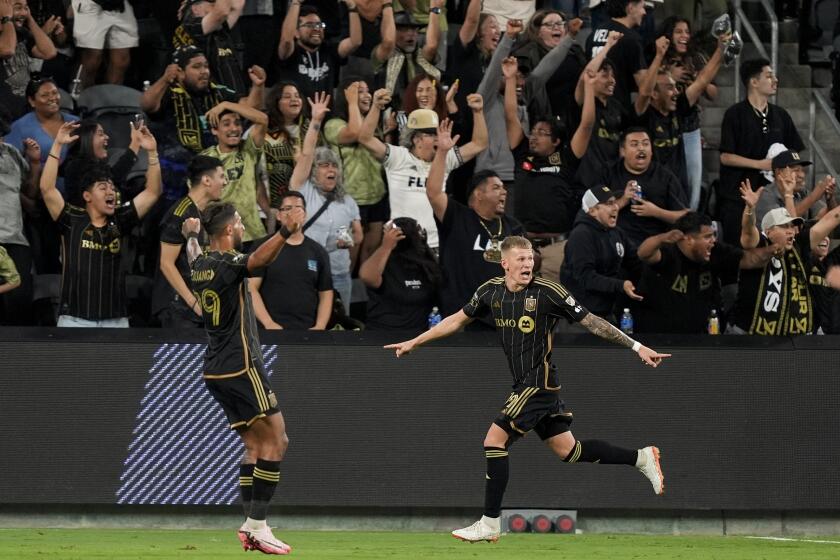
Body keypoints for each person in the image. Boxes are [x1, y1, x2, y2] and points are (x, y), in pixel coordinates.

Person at [384, 235, 671, 543]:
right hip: (525, 383)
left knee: (494, 440)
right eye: (520, 260)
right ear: (504, 263)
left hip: (539, 383)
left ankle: (490, 522)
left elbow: (592, 322)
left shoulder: (549, 292)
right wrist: (415, 341)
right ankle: (640, 457)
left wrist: (636, 346)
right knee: (569, 451)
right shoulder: (490, 292)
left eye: (530, 259)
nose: (527, 265)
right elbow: (456, 320)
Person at [182, 200, 305, 555]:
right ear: (227, 231)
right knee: (277, 441)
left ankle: (251, 525)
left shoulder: (201, 263)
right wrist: (285, 230)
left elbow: (191, 253)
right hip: (241, 364)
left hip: (215, 369)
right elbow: (258, 261)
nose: (241, 227)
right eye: (238, 222)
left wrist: (191, 234)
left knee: (254, 446)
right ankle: (257, 526)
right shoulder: (226, 262)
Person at [39, 121, 161, 327]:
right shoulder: (71, 219)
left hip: (116, 319)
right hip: (75, 319)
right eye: (103, 187)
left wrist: (152, 153)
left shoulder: (120, 219)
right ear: (86, 195)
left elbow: (152, 193)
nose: (110, 191)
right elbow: (47, 189)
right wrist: (57, 145)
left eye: (112, 188)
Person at [358, 88, 488, 253]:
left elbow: (479, 143)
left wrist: (478, 112)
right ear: (416, 139)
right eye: (432, 134)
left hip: (436, 245)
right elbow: (365, 138)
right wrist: (376, 107)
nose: (438, 137)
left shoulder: (444, 158)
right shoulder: (398, 157)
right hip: (401, 243)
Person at [503, 59, 597, 281]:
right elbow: (510, 115)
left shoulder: (566, 159)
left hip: (557, 248)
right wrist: (509, 79)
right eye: (533, 131)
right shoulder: (522, 152)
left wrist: (590, 87)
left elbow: (587, 125)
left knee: (555, 308)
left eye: (542, 133)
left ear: (556, 141)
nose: (534, 136)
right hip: (521, 246)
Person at [426, 118, 524, 320]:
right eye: (496, 188)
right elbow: (434, 193)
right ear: (478, 194)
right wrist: (442, 152)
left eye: (504, 188)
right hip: (460, 315)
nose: (504, 192)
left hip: (501, 316)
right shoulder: (458, 216)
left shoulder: (511, 226)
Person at [141, 46, 265, 203]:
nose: (204, 71)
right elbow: (146, 104)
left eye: (206, 66)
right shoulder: (167, 94)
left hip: (213, 179)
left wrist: (258, 86)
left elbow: (250, 109)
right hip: (173, 181)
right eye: (196, 66)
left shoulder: (218, 92)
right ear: (179, 72)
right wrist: (165, 79)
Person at [633, 211, 776, 334]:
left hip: (702, 338)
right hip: (659, 338)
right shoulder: (668, 252)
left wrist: (776, 247)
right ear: (689, 239)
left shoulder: (715, 252)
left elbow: (751, 260)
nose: (713, 241)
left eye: (713, 235)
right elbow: (643, 253)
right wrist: (661, 238)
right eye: (707, 236)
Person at [730, 183, 840, 335]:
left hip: (792, 337)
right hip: (750, 334)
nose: (791, 231)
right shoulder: (759, 244)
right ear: (768, 231)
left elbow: (832, 218)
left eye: (792, 227)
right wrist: (750, 209)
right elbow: (748, 232)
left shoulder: (800, 244)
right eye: (784, 227)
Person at [717, 58, 804, 246]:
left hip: (773, 199)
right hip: (738, 197)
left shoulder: (781, 115)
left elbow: (794, 153)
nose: (775, 80)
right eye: (769, 76)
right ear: (754, 82)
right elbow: (725, 157)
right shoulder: (735, 114)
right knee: (741, 249)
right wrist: (760, 165)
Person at [290, 91, 362, 313]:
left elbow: (358, 235)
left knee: (342, 324)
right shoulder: (304, 191)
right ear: (314, 171)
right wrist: (316, 121)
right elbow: (307, 155)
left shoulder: (347, 201)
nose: (331, 169)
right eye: (324, 165)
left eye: (333, 166)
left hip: (339, 274)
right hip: (306, 272)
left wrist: (347, 240)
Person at [634, 33, 725, 197]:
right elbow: (644, 91)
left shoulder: (678, 109)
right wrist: (659, 55)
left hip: (676, 189)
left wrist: (721, 49)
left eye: (675, 87)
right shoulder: (643, 115)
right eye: (669, 88)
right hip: (650, 192)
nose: (676, 92)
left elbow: (702, 81)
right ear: (654, 94)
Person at [152, 154, 226, 329]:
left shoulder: (202, 213)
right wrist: (194, 303)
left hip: (195, 311)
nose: (225, 182)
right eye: (222, 176)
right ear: (207, 180)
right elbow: (166, 263)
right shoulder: (180, 213)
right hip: (178, 310)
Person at [659, 16, 720, 210]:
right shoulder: (658, 56)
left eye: (687, 31)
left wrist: (696, 77)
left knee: (693, 180)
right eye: (679, 31)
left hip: (690, 124)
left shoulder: (696, 58)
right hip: (663, 124)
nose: (684, 36)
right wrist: (671, 74)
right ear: (669, 34)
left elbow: (712, 92)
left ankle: (690, 217)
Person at [249, 191, 333, 330]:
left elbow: (325, 292)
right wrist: (268, 322)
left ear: (305, 215)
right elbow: (250, 288)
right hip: (270, 330)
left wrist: (320, 325)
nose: (293, 213)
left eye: (298, 208)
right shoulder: (263, 247)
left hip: (307, 331)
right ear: (279, 215)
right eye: (287, 208)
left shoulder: (318, 251)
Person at [324, 79, 388, 263]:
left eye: (368, 91)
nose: (367, 95)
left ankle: (365, 289)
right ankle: (345, 290)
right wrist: (352, 102)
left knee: (371, 250)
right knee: (348, 255)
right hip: (349, 199)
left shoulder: (374, 123)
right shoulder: (334, 124)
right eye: (359, 91)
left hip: (377, 196)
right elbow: (355, 133)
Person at [560, 185, 641, 322]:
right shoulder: (581, 236)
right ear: (592, 211)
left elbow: (635, 261)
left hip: (607, 313)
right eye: (609, 204)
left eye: (615, 202)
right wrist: (620, 285)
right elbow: (585, 277)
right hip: (581, 318)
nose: (616, 207)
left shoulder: (616, 233)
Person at [602, 127, 688, 248]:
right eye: (634, 144)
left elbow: (686, 216)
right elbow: (594, 212)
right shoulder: (609, 172)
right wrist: (623, 200)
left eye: (645, 144)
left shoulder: (665, 176)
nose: (641, 148)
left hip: (655, 244)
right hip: (616, 242)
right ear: (623, 151)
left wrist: (656, 212)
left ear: (652, 150)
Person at [200, 99, 270, 242]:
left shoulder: (249, 149)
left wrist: (226, 104)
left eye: (237, 123)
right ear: (215, 130)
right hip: (221, 238)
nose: (234, 128)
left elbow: (263, 119)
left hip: (253, 235)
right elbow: (198, 202)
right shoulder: (204, 160)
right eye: (226, 124)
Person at [359, 216, 439, 330]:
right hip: (381, 333)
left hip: (418, 335)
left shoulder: (427, 265)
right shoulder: (384, 262)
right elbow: (367, 277)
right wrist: (386, 246)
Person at [573, 31, 627, 193]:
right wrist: (608, 45)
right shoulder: (583, 103)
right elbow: (585, 76)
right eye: (604, 75)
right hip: (586, 183)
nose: (612, 80)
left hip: (612, 182)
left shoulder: (616, 107)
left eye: (613, 75)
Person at [276, 2, 362, 101]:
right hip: (297, 113)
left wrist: (352, 8)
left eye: (319, 25)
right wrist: (295, 3)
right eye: (309, 25)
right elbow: (286, 40)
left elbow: (355, 42)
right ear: (296, 33)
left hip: (326, 114)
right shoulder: (291, 53)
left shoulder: (329, 50)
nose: (317, 29)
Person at [512, 9, 586, 122]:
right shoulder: (527, 54)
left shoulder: (575, 50)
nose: (556, 27)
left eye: (560, 23)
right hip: (546, 119)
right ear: (537, 32)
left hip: (577, 115)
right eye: (549, 24)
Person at [0, 123, 39, 325]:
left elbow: (30, 191)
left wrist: (34, 163)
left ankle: (17, 355)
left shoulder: (12, 153)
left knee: (20, 302)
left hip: (15, 239)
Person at [175, 0, 248, 97]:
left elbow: (238, 3)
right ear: (196, 9)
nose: (216, 6)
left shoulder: (218, 28)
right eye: (212, 4)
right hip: (214, 101)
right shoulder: (191, 26)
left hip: (236, 97)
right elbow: (222, 11)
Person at [373, 8, 441, 110]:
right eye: (403, 29)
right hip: (392, 112)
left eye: (414, 29)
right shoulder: (384, 54)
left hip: (423, 111)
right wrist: (386, 5)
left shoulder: (421, 55)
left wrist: (435, 10)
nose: (411, 33)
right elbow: (388, 42)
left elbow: (432, 46)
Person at [585, 0, 647, 109]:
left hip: (591, 106)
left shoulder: (593, 34)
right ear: (631, 8)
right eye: (642, 7)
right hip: (617, 110)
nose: (644, 12)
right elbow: (644, 85)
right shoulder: (631, 39)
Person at [0, 0, 57, 118]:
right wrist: (6, 18)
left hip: (23, 108)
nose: (23, 13)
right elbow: (7, 50)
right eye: (17, 8)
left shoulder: (22, 33)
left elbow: (49, 52)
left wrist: (30, 19)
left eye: (26, 8)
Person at [262, 81, 313, 209]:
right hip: (270, 203)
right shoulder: (264, 129)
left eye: (297, 96)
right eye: (287, 96)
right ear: (276, 102)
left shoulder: (308, 127)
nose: (294, 99)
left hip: (306, 199)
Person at [754, 151, 835, 226]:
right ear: (779, 172)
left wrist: (830, 199)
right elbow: (783, 225)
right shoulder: (766, 195)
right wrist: (813, 197)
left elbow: (825, 216)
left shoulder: (801, 192)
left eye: (802, 170)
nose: (802, 175)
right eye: (796, 170)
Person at [73, 0, 138, 88]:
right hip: (90, 3)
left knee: (121, 60)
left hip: (121, 4)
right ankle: (81, 97)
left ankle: (110, 97)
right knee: (92, 58)